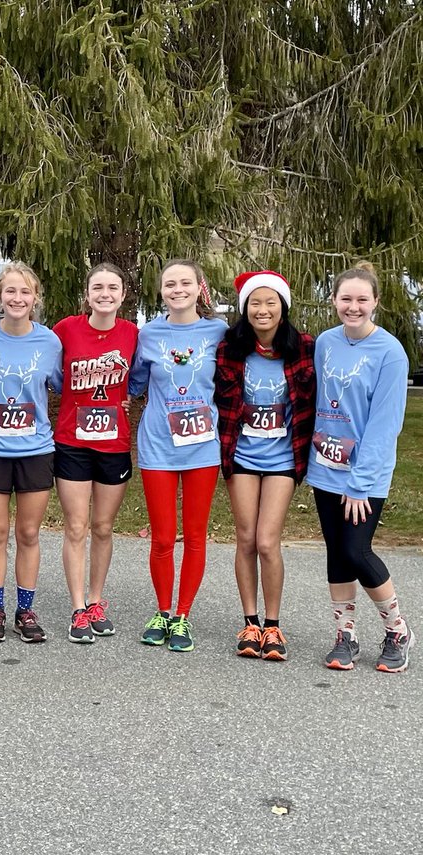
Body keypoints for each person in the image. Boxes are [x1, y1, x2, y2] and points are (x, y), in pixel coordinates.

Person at [306, 263, 413, 673]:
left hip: (364, 476)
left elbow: (386, 424)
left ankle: (397, 629)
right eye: (345, 299)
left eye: (361, 299)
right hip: (325, 467)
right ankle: (345, 635)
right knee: (337, 552)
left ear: (375, 303)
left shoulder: (390, 353)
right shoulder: (326, 343)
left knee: (357, 550)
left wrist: (360, 483)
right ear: (334, 301)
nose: (353, 307)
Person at [215, 270, 315, 661]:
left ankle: (273, 626)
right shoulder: (230, 348)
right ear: (245, 309)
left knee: (267, 541)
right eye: (255, 303)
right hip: (241, 455)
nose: (262, 310)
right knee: (245, 538)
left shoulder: (304, 348)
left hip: (284, 457)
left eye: (270, 302)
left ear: (282, 308)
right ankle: (250, 622)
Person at [129, 259, 227, 652]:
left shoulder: (219, 332)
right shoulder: (148, 334)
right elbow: (135, 381)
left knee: (197, 536)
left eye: (186, 282)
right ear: (161, 290)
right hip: (158, 446)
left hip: (203, 447)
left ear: (199, 287)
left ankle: (184, 616)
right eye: (170, 284)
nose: (178, 289)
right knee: (164, 537)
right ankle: (162, 612)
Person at [0, 264, 62, 643]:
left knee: (29, 532)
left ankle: (25, 609)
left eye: (25, 292)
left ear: (35, 298)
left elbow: (62, 385)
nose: (17, 299)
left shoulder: (50, 342)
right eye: (10, 292)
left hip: (36, 449)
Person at [51, 263, 138, 643]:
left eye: (112, 287)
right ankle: (76, 608)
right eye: (98, 287)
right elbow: (48, 372)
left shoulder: (133, 333)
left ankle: (96, 600)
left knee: (103, 527)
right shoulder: (66, 330)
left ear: (123, 294)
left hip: (114, 443)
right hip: (72, 441)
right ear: (87, 294)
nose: (105, 293)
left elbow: (142, 376)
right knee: (76, 526)